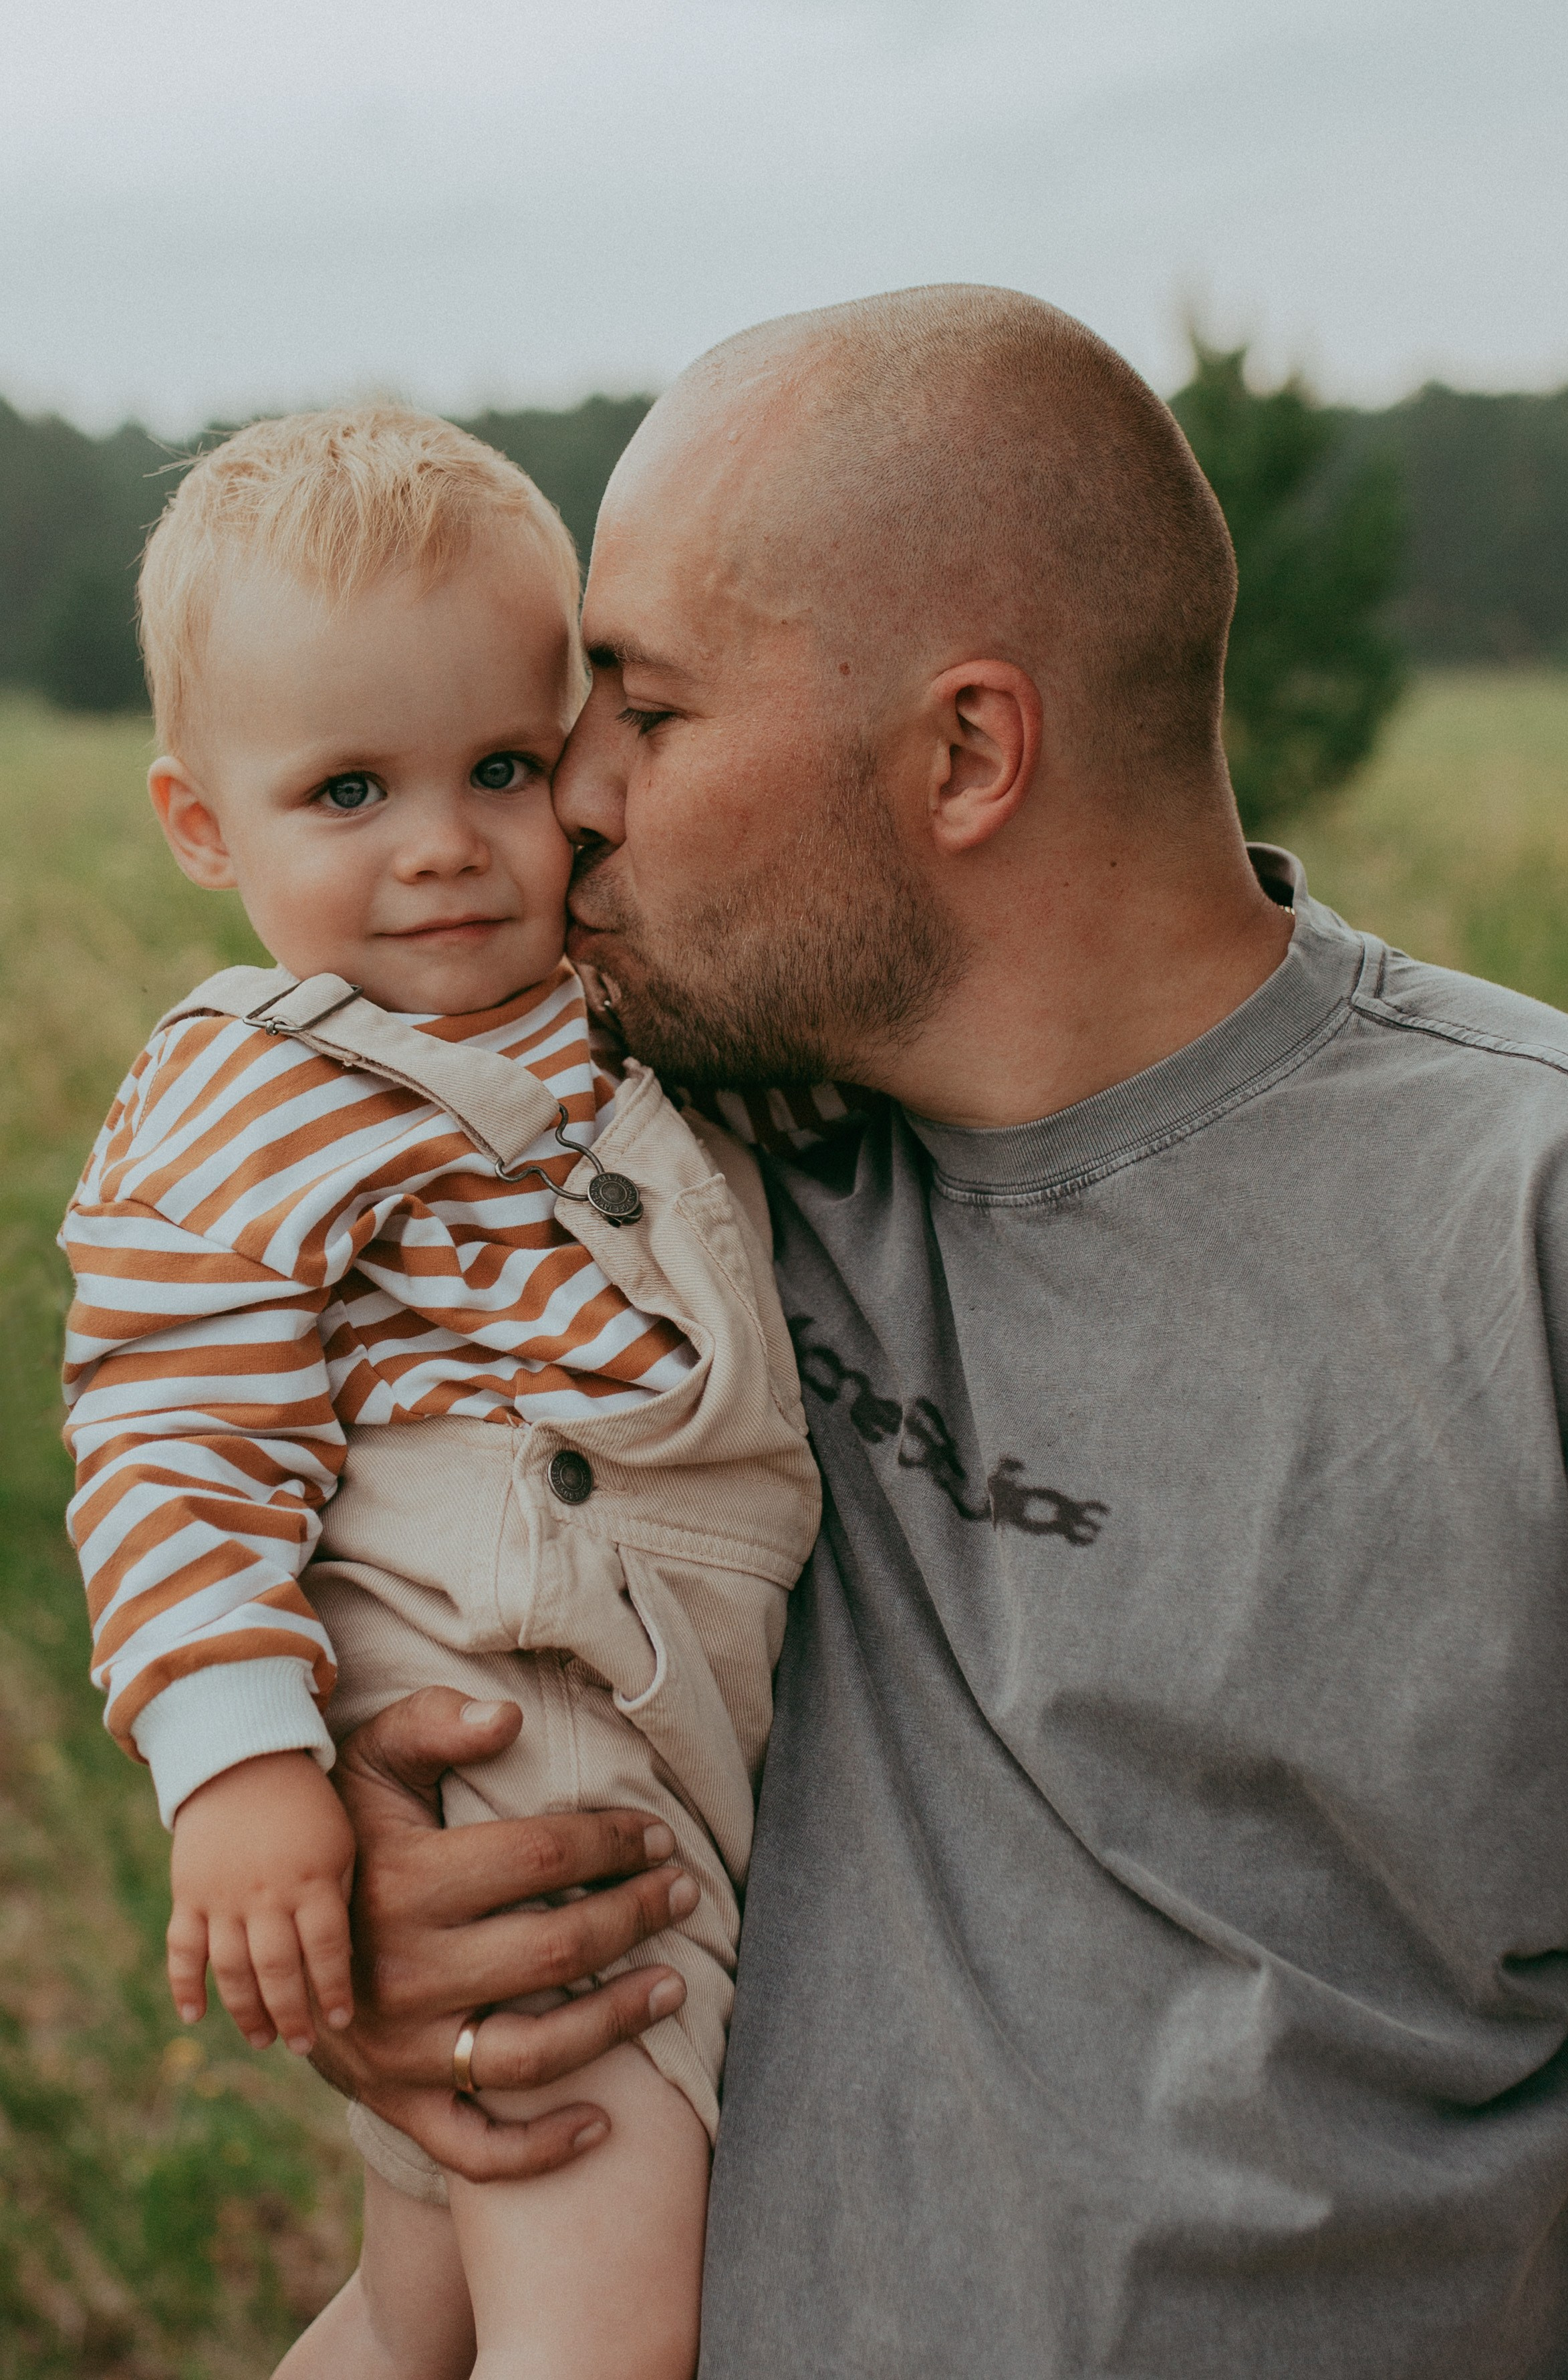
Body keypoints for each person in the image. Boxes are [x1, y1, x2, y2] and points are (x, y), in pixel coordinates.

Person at [309, 285, 1568, 2379]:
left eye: (647, 707)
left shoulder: (1539, 1231)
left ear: (969, 752)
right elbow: (204, 1372)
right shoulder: (636, 1181)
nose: (573, 798)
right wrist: (339, 1850)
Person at [57, 404, 821, 2380]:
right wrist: (235, 1767)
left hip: (662, 1702)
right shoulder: (256, 1087)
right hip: (524, 1732)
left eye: (500, 764)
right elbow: (166, 1433)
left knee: (420, 2307)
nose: (443, 845)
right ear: (201, 824)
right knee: (611, 2321)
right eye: (346, 791)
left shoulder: (613, 1006)